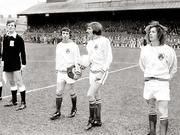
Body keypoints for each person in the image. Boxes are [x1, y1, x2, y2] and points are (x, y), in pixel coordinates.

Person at [139, 21, 177, 135]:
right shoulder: (145, 49)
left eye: (153, 32)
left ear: (159, 34)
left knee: (163, 111)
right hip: (149, 83)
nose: (150, 34)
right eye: (150, 32)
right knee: (151, 109)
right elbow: (142, 64)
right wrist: (150, 75)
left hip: (162, 84)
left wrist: (165, 78)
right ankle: (152, 132)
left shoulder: (168, 50)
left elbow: (173, 67)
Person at [84, 22, 113, 130]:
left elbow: (109, 58)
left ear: (95, 29)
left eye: (89, 29)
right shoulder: (89, 43)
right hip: (92, 71)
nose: (87, 31)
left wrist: (102, 71)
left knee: (90, 94)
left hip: (101, 71)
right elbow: (90, 59)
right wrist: (83, 65)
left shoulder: (104, 41)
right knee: (96, 95)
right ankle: (98, 120)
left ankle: (91, 120)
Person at [50, 27, 81, 120]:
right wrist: (56, 68)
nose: (65, 35)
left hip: (70, 72)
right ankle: (58, 111)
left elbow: (77, 59)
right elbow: (57, 58)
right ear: (61, 34)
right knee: (58, 92)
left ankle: (74, 108)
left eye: (67, 33)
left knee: (71, 91)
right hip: (60, 72)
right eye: (63, 33)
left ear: (69, 34)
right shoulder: (59, 45)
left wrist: (77, 71)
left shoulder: (74, 45)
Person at [2, 19, 27, 111]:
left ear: (15, 27)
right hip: (7, 64)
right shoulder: (5, 37)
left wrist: (23, 64)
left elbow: (23, 52)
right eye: (9, 26)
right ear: (7, 27)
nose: (10, 27)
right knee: (11, 82)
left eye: (12, 26)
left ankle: (23, 102)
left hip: (16, 64)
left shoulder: (19, 38)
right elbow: (4, 51)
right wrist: (3, 61)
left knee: (19, 82)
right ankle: (14, 101)